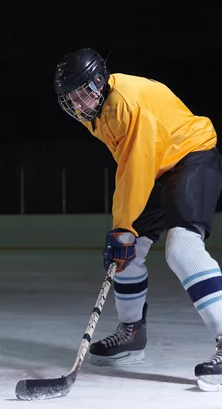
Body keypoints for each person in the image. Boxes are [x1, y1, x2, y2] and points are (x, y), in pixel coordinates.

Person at [54, 48, 222, 391]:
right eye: (71, 99)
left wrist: (123, 225)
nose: (79, 104)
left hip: (191, 156)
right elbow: (133, 167)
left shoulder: (127, 103)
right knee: (124, 257)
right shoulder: (95, 112)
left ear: (100, 83)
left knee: (182, 249)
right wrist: (124, 232)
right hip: (161, 166)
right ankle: (131, 335)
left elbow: (138, 166)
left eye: (83, 94)